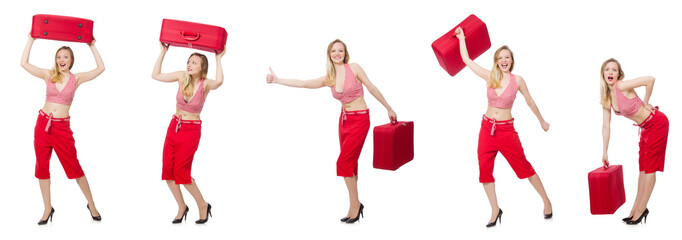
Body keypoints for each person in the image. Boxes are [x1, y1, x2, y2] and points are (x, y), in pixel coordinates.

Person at [266, 39, 397, 223]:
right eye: (334, 51)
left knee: (343, 162)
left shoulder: (355, 68)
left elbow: (372, 88)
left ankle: (355, 205)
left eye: (340, 50)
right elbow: (303, 83)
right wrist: (278, 80)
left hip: (360, 119)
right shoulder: (330, 77)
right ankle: (355, 204)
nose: (337, 53)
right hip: (344, 121)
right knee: (350, 163)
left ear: (345, 53)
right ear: (329, 54)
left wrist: (388, 108)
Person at [454, 28, 553, 227]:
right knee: (484, 170)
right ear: (496, 61)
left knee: (524, 167)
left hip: (506, 131)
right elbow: (466, 60)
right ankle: (495, 209)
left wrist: (542, 120)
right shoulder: (490, 76)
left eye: (507, 57)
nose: (504, 60)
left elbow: (530, 102)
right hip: (487, 129)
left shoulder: (518, 81)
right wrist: (461, 38)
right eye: (500, 57)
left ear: (511, 60)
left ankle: (547, 201)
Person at [20, 35, 105, 225]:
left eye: (65, 56)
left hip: (61, 129)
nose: (62, 60)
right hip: (43, 125)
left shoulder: (77, 78)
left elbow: (101, 68)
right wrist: (31, 39)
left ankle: (91, 204)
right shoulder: (48, 74)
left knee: (74, 168)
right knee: (42, 167)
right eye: (59, 56)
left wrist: (92, 45)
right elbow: (24, 63)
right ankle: (47, 208)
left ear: (71, 60)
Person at [151, 43, 225, 224]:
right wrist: (163, 52)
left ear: (202, 68)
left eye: (194, 63)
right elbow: (155, 75)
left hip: (191, 130)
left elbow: (220, 82)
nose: (189, 65)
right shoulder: (181, 76)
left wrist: (218, 58)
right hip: (174, 126)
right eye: (189, 62)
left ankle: (202, 205)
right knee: (168, 172)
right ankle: (182, 206)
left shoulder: (205, 83)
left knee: (182, 173)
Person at [600, 58, 667, 225]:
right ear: (603, 74)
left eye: (614, 70)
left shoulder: (621, 86)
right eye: (607, 69)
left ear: (618, 74)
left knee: (650, 168)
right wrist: (605, 151)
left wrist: (645, 102)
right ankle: (636, 207)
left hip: (656, 123)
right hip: (645, 128)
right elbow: (605, 126)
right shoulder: (607, 97)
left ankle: (641, 209)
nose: (610, 72)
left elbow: (650, 79)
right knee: (643, 168)